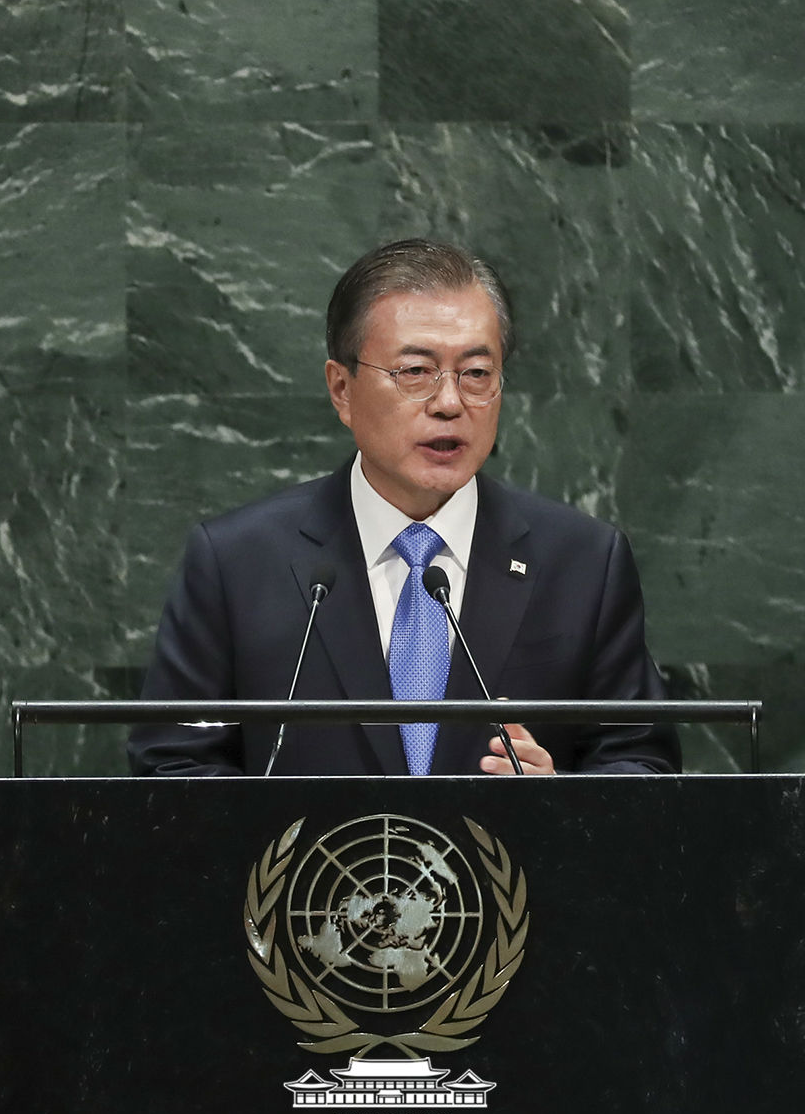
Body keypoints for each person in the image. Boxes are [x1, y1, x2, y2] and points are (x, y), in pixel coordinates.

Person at [128, 239, 681, 777]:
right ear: (341, 389)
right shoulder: (237, 562)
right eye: (415, 371)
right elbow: (174, 766)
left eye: (477, 374)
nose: (449, 403)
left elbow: (644, 763)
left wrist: (560, 800)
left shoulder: (582, 562)